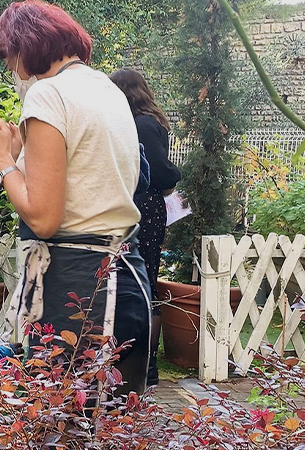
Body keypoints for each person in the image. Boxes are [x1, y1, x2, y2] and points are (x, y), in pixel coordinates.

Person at [0, 0, 152, 395]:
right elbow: (92, 182)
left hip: (78, 289)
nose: (11, 71)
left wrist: (2, 162)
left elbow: (44, 217)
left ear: (25, 47)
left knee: (64, 426)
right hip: (127, 280)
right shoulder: (107, 89)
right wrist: (21, 156)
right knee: (115, 425)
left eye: (9, 58)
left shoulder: (48, 95)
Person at [110, 68, 181, 386]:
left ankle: (147, 368)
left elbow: (162, 173)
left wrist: (174, 177)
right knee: (141, 278)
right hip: (146, 205)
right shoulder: (144, 122)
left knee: (145, 280)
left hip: (146, 207)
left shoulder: (143, 125)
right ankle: (140, 364)